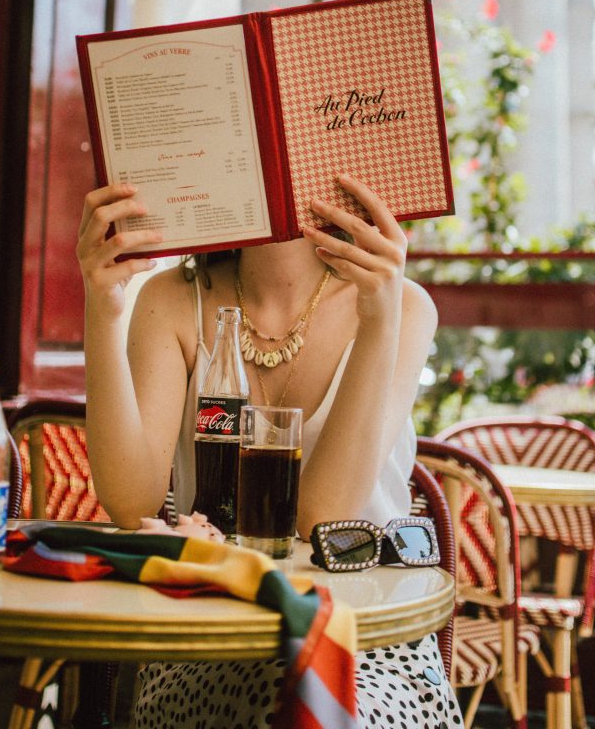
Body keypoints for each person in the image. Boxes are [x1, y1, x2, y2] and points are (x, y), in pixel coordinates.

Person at [77, 174, 463, 729]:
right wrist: (103, 309)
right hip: (209, 631)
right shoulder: (172, 299)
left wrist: (379, 323)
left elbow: (325, 518)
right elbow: (130, 502)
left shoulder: (399, 303)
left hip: (368, 639)